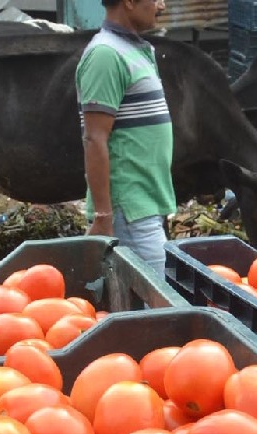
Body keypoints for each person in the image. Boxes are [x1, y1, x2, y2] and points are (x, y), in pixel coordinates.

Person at [75, 0, 177, 277]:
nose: (162, 5)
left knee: (149, 307)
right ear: (129, 2)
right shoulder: (105, 55)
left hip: (145, 205)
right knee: (158, 310)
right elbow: (94, 139)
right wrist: (104, 217)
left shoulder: (137, 50)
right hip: (128, 210)